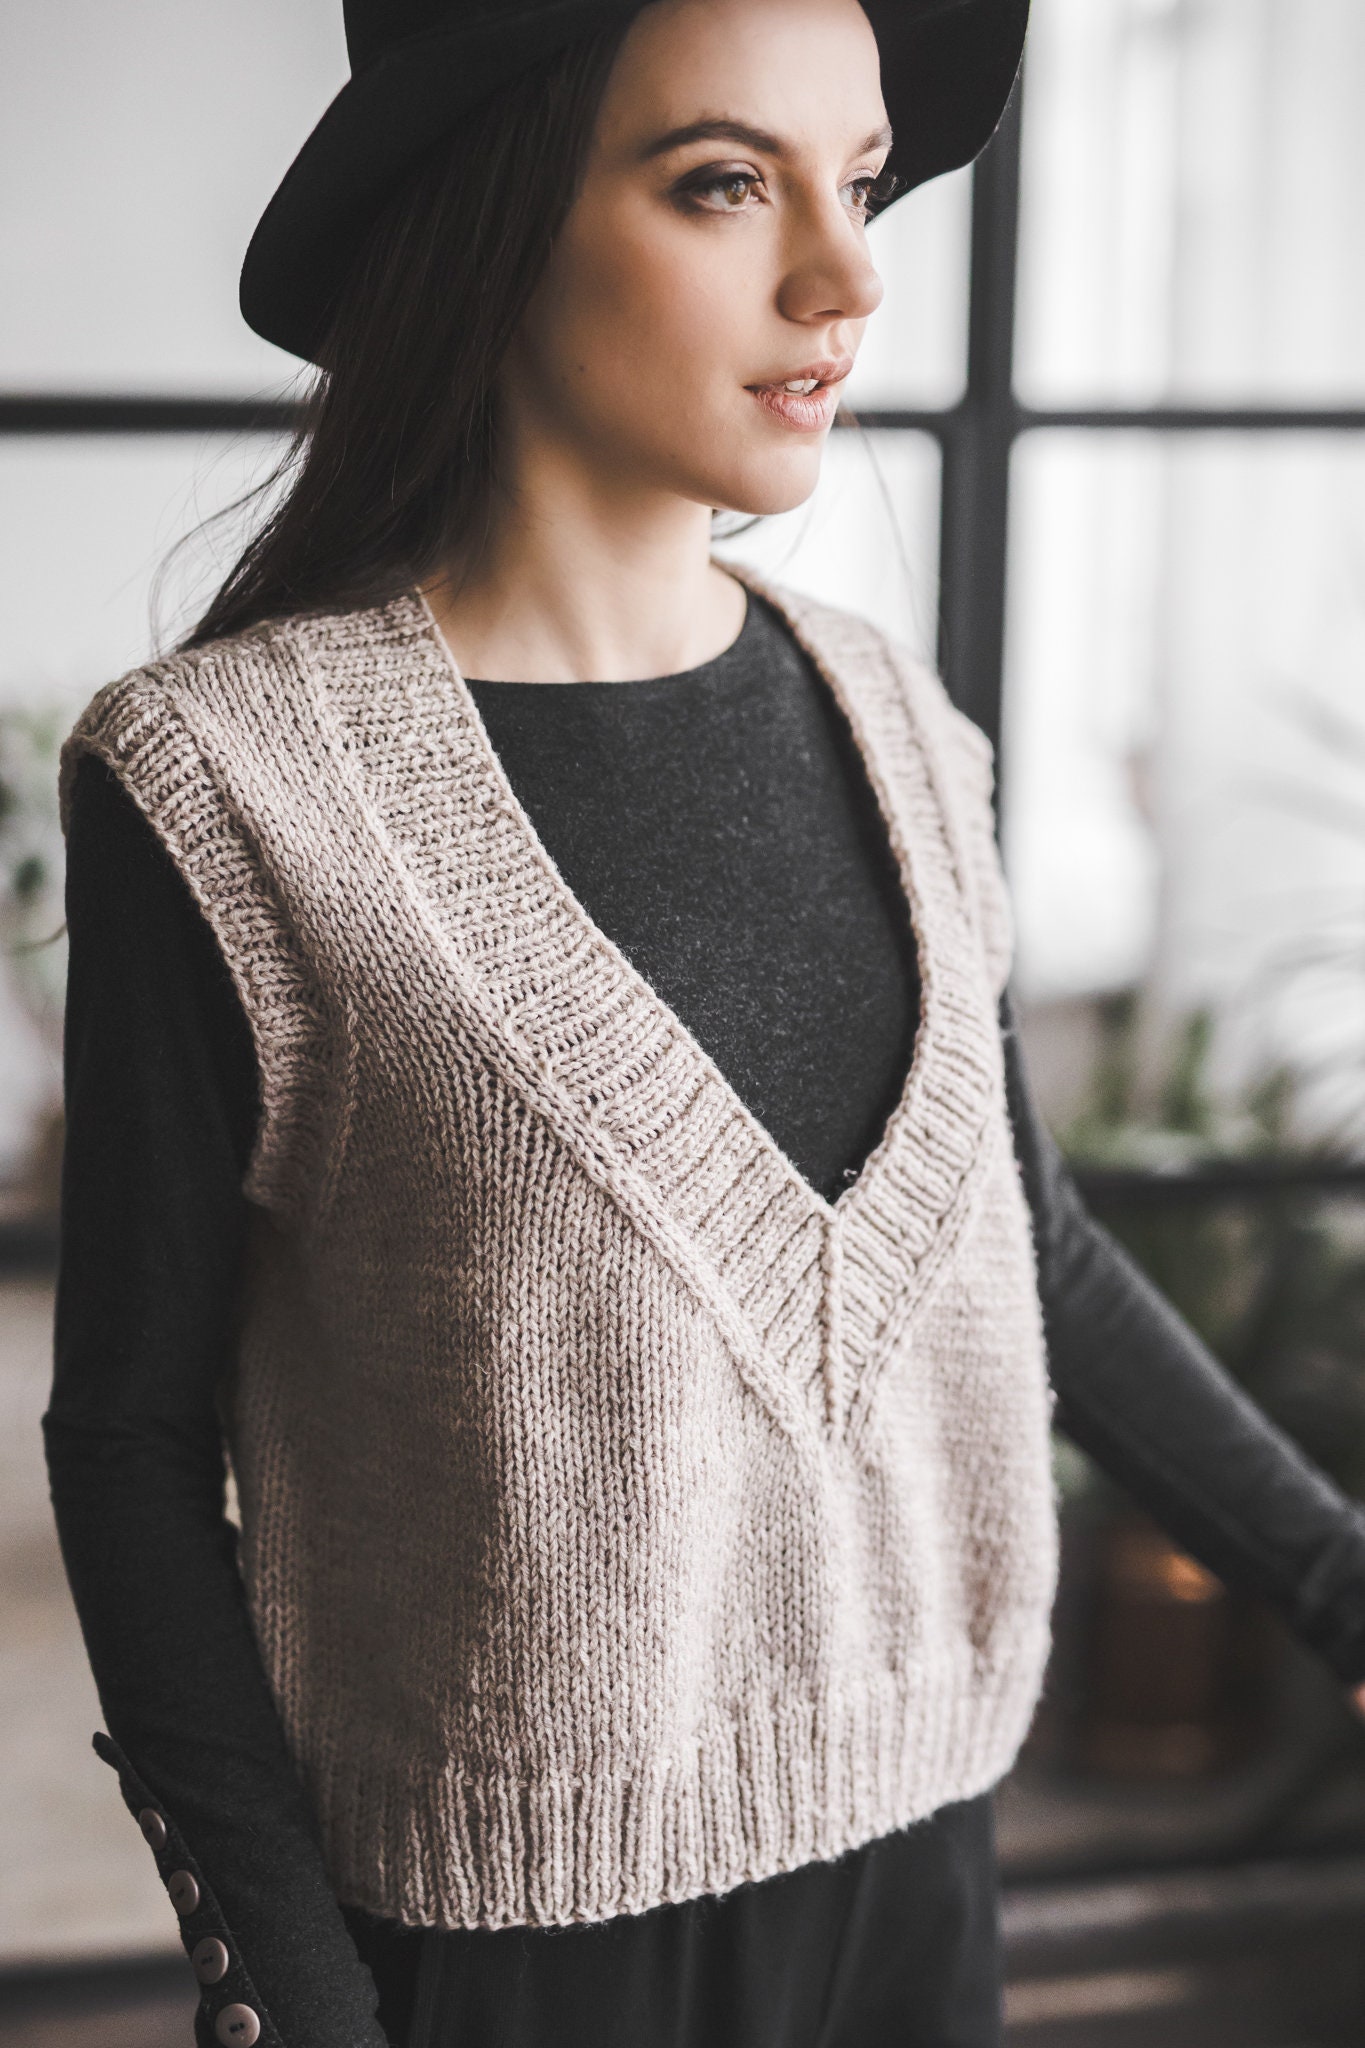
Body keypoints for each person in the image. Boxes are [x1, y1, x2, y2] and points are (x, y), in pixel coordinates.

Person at [45, 1, 1365, 2044]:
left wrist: (1327, 1572)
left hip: (922, 1870)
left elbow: (1029, 1252)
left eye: (857, 184)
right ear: (488, 218)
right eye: (725, 182)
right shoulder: (230, 784)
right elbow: (130, 1439)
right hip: (489, 1948)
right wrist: (290, 1986)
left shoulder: (904, 733)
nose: (843, 277)